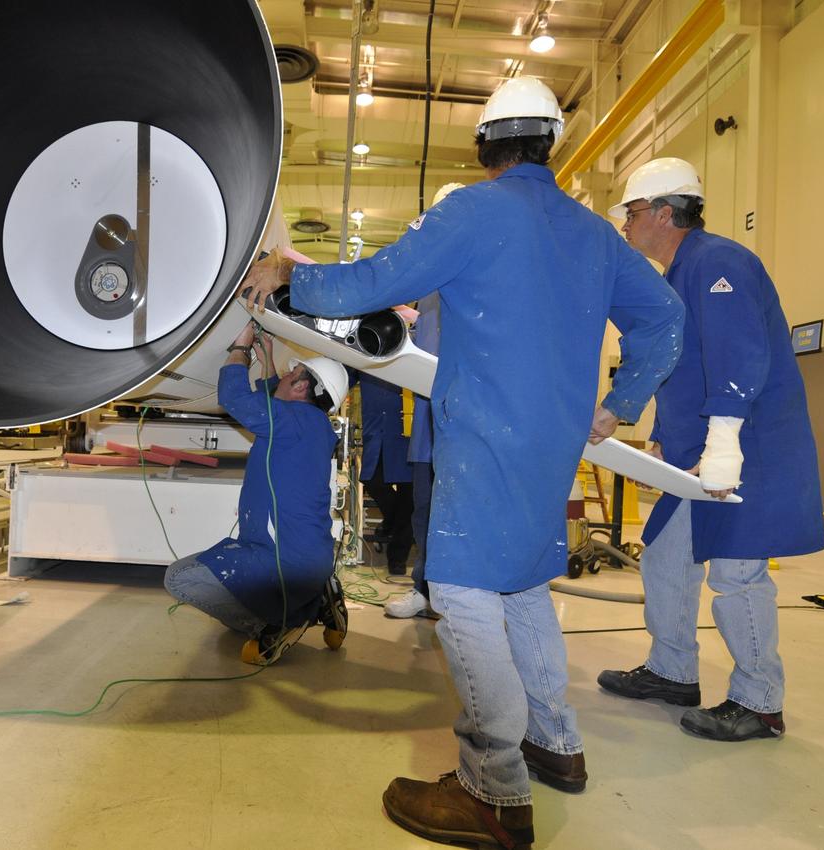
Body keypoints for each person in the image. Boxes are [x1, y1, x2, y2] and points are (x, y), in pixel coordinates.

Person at [241, 77, 685, 849]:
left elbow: (377, 281)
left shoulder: (474, 212)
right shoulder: (592, 234)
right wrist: (622, 401)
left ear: (484, 148)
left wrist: (289, 276)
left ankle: (493, 788)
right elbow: (665, 318)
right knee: (520, 589)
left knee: (460, 588)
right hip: (554, 448)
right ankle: (558, 744)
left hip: (484, 440)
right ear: (551, 144)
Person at [597, 157, 824, 740]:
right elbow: (676, 362)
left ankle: (759, 701)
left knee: (737, 573)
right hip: (691, 454)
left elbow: (738, 355)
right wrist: (646, 425)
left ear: (665, 213)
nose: (625, 224)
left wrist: (723, 444)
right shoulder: (674, 277)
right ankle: (672, 671)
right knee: (666, 558)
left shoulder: (720, 261)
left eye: (633, 212)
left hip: (741, 451)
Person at [163, 322, 351, 666]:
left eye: (289, 374)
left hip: (282, 560)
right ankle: (315, 596)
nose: (281, 377)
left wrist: (242, 347)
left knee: (180, 578)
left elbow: (235, 398)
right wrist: (266, 360)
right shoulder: (309, 423)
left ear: (301, 387)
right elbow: (268, 398)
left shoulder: (294, 420)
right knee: (214, 589)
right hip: (297, 555)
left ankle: (286, 622)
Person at [385, 182, 463, 621]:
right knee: (424, 511)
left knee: (457, 513)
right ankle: (425, 589)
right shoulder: (428, 285)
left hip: (462, 425)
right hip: (428, 428)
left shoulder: (473, 280)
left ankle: (456, 597)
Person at [355, 371, 415, 575]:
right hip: (377, 431)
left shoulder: (414, 343)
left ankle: (397, 558)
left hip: (407, 433)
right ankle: (391, 524)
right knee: (372, 480)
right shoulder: (365, 351)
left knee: (409, 496)